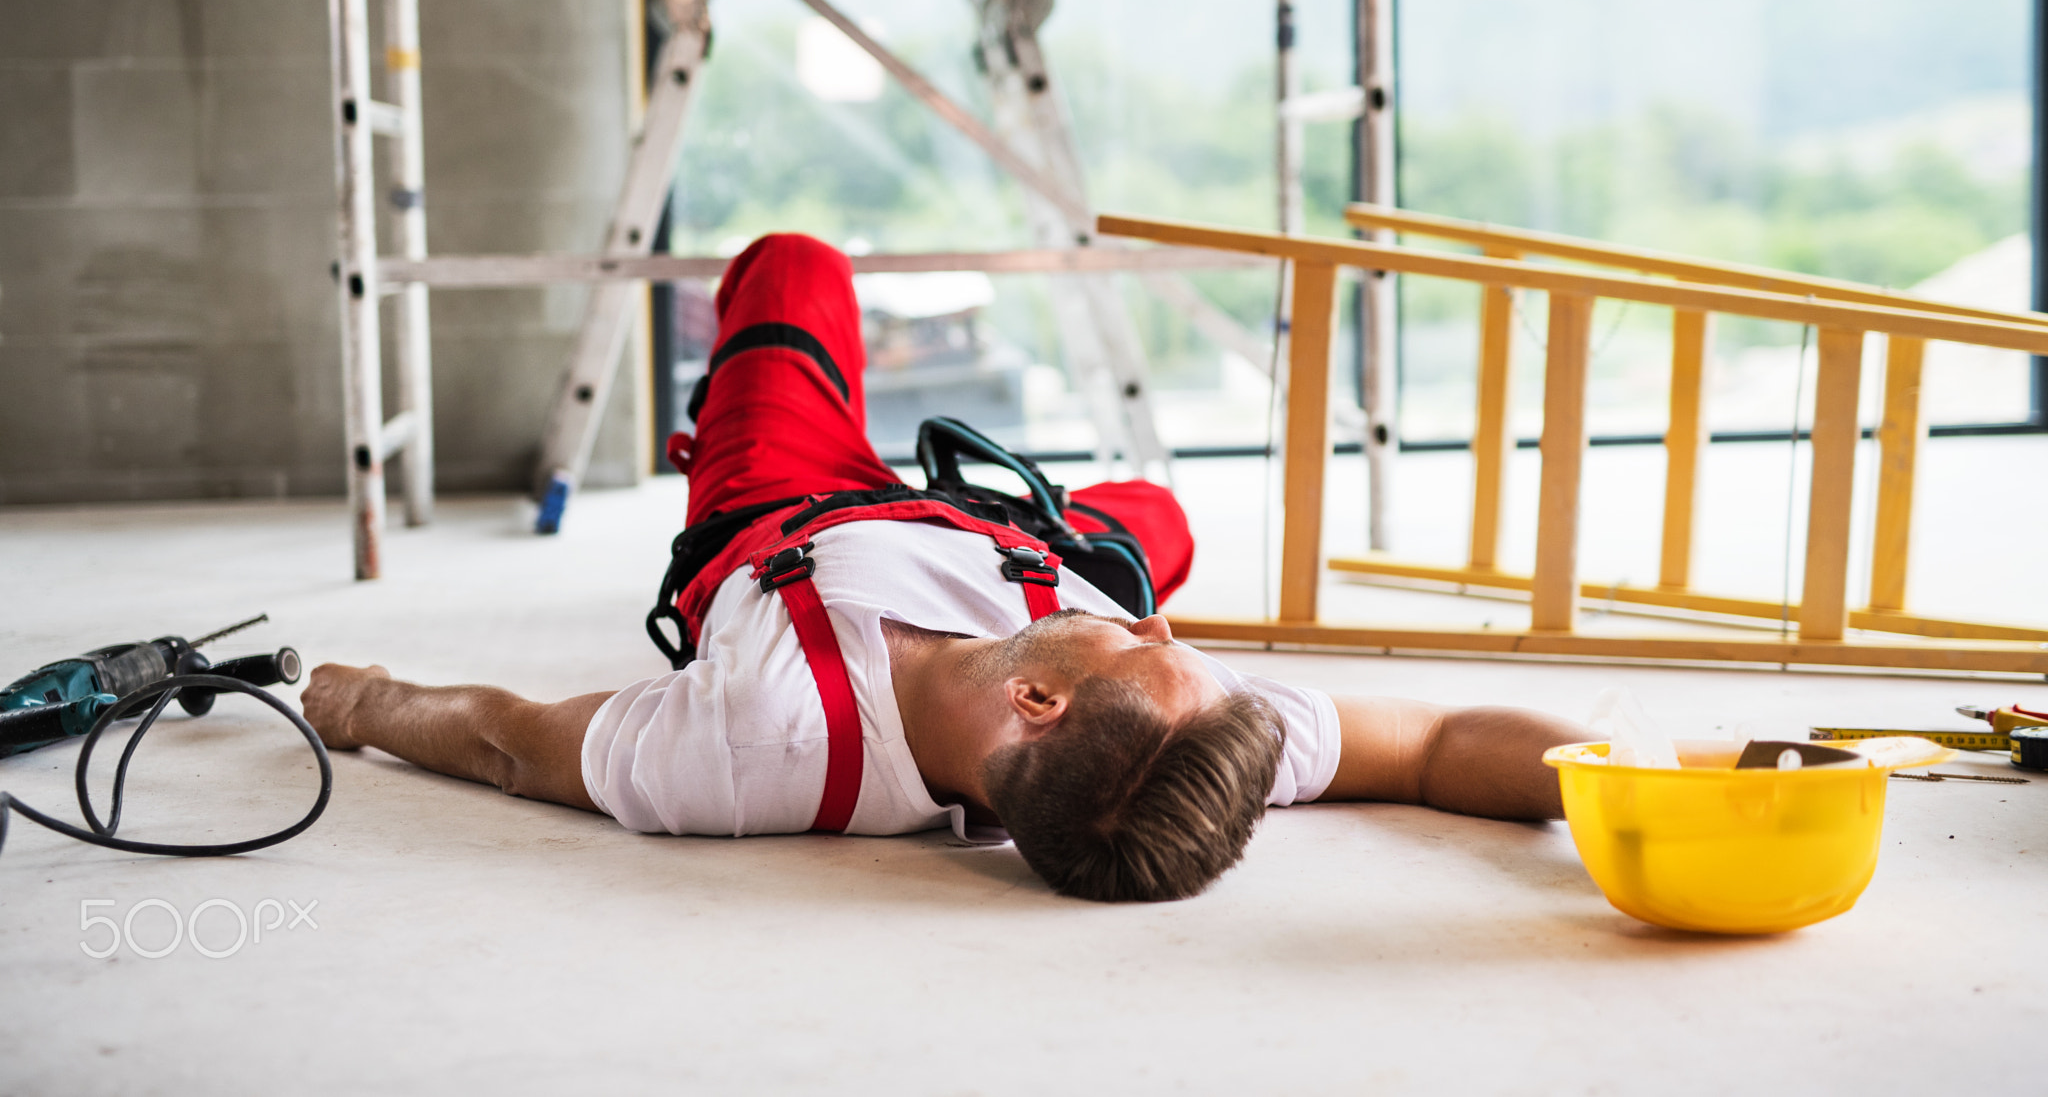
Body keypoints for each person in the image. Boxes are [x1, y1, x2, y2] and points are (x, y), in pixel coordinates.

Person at [302, 234, 1590, 902]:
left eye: (1144, 647)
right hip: (1004, 547)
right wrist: (1627, 786)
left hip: (786, 509)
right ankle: (1081, 522)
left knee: (797, 268)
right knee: (1155, 521)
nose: (1157, 634)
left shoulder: (751, 746)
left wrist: (364, 705)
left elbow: (510, 743)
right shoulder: (1188, 732)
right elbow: (1431, 744)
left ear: (1040, 703)